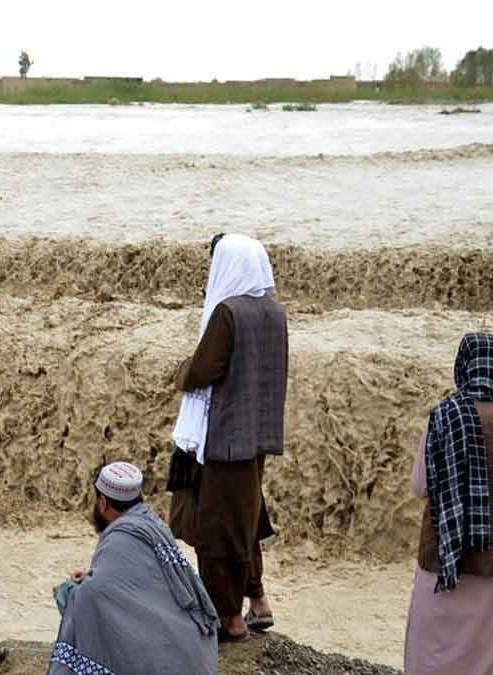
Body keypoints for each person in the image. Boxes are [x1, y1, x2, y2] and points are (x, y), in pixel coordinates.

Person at [167, 232, 287, 641]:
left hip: (223, 439)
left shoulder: (228, 313)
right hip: (257, 436)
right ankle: (257, 601)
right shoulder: (275, 311)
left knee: (217, 529)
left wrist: (183, 369)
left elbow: (204, 370)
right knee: (246, 518)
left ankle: (228, 620)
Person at [404, 333, 493, 675]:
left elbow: (420, 486)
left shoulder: (443, 415)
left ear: (462, 365)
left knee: (434, 650)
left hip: (447, 557)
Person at [49, 463, 218, 675]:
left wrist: (70, 589)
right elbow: (140, 587)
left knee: (75, 599)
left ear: (103, 503)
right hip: (199, 658)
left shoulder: (119, 538)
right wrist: (93, 579)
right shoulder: (154, 525)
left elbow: (92, 598)